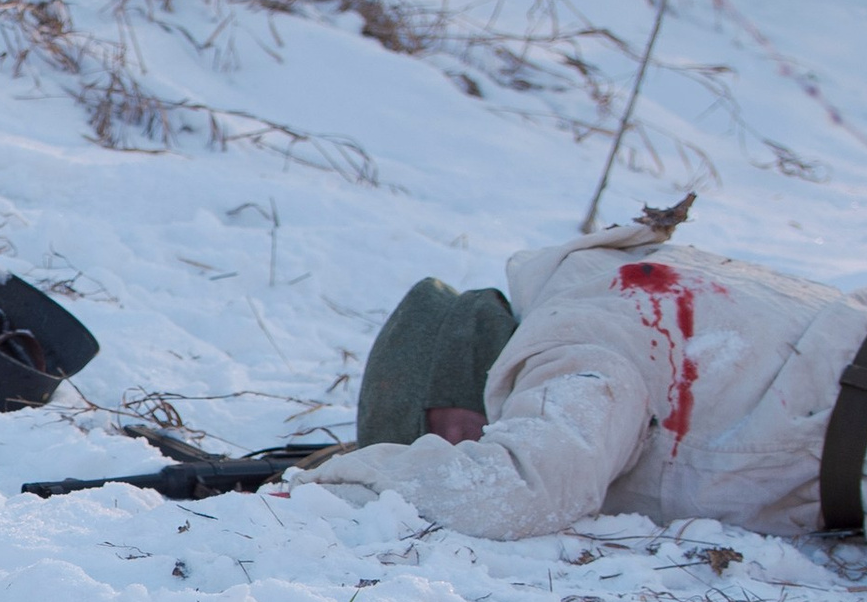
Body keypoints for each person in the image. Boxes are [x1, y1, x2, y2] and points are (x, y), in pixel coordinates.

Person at [294, 196, 867, 541]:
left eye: (435, 436)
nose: (456, 450)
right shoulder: (600, 288)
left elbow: (525, 488)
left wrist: (324, 490)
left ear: (450, 390)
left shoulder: (573, 344)